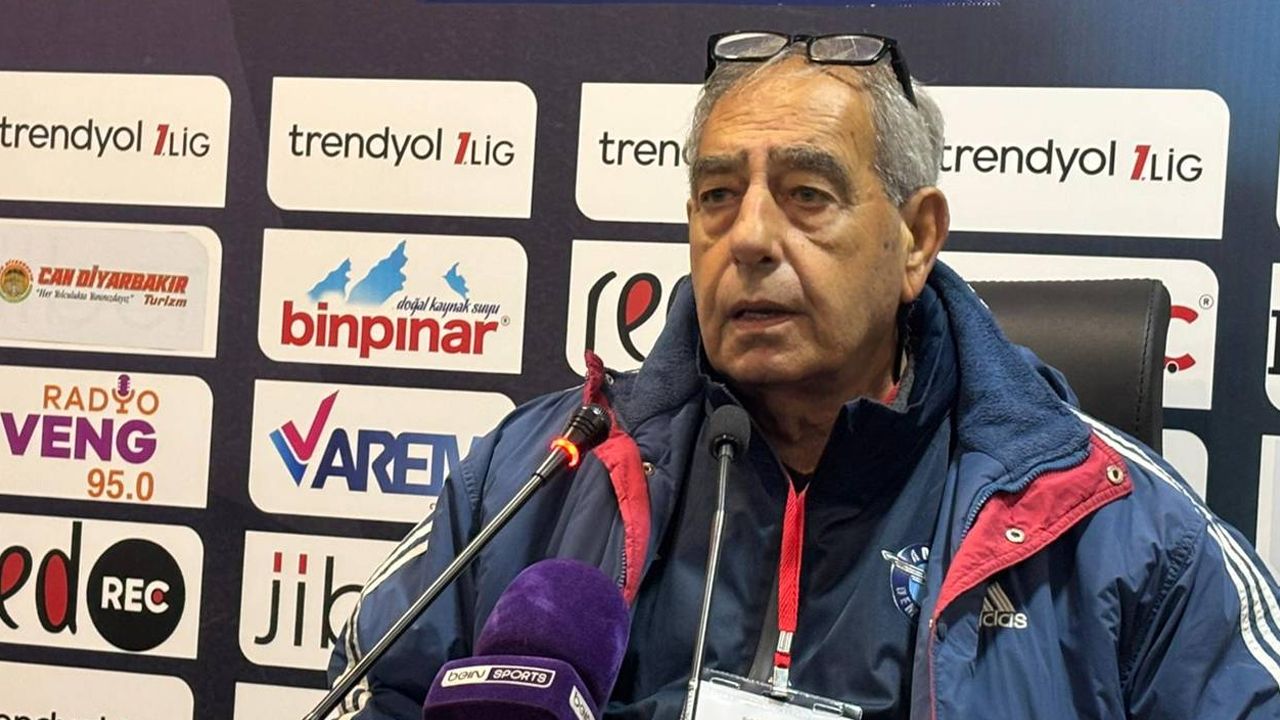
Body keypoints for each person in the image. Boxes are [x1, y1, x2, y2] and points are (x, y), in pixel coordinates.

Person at [328, 32, 1280, 719]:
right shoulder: (531, 475)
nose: (749, 236)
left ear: (917, 238)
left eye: (806, 195)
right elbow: (375, 693)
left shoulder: (1121, 526)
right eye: (718, 194)